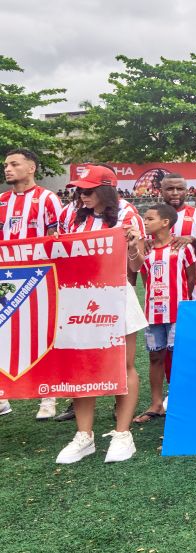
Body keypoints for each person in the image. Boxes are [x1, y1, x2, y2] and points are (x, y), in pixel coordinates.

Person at [56, 165, 147, 463]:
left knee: (124, 364)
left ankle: (123, 434)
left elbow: (135, 267)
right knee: (81, 366)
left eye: (89, 190)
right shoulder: (70, 213)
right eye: (80, 190)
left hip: (116, 293)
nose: (82, 195)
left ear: (107, 189)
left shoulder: (127, 213)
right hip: (77, 296)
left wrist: (133, 244)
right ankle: (85, 436)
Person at [0, 148, 63, 419]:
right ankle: (3, 397)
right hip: (6, 277)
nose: (8, 169)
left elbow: (56, 238)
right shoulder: (2, 200)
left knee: (41, 334)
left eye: (14, 164)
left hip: (38, 276)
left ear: (31, 168)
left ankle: (49, 396)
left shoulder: (48, 199)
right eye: (6, 165)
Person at [134, 204, 196, 423]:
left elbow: (191, 278)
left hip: (177, 311)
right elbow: (145, 277)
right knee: (155, 356)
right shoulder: (147, 249)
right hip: (153, 312)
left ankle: (183, 401)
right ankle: (156, 404)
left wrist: (180, 302)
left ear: (165, 222)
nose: (146, 222)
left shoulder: (182, 247)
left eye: (150, 218)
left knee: (178, 356)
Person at [160, 173, 196, 300]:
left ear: (186, 191)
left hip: (195, 293)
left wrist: (193, 241)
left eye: (180, 189)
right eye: (170, 189)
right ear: (161, 191)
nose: (175, 193)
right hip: (161, 293)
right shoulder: (152, 217)